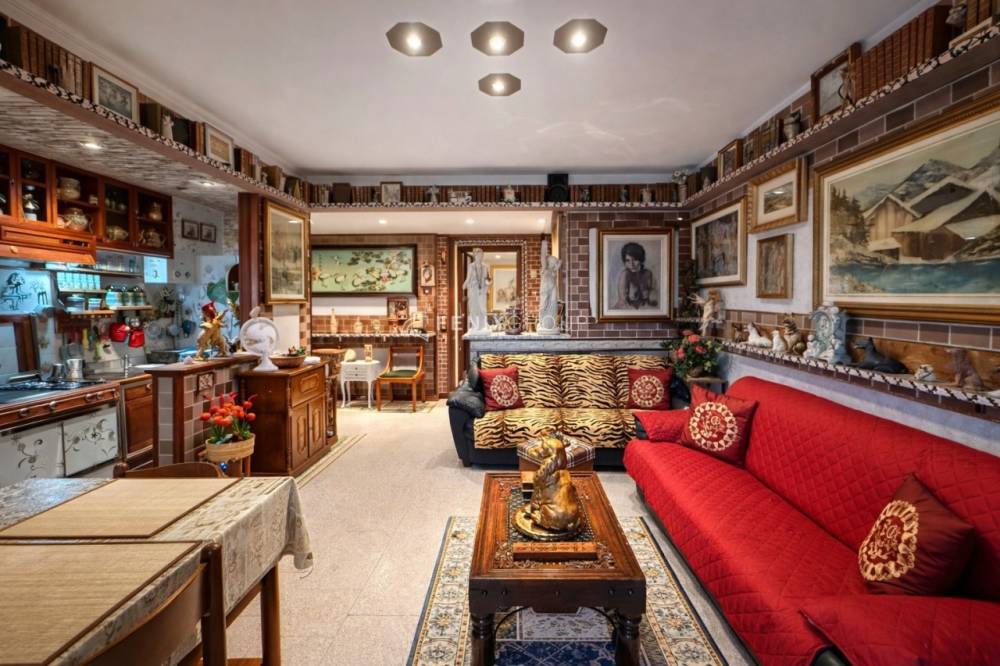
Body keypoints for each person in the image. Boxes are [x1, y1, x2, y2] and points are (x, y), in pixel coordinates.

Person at [613, 242, 657, 310]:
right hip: (627, 309)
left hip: (642, 309)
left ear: (641, 260)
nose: (631, 264)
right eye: (627, 260)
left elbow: (649, 298)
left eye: (635, 260)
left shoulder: (647, 274)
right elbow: (623, 301)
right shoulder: (625, 275)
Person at [463, 248, 490, 333]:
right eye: (479, 255)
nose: (480, 257)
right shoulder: (471, 266)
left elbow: (487, 279)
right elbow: (468, 278)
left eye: (482, 255)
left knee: (482, 308)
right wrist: (464, 285)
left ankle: (483, 326)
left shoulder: (485, 267)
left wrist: (488, 284)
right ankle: (475, 326)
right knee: (473, 308)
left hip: (482, 290)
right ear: (475, 256)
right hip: (473, 289)